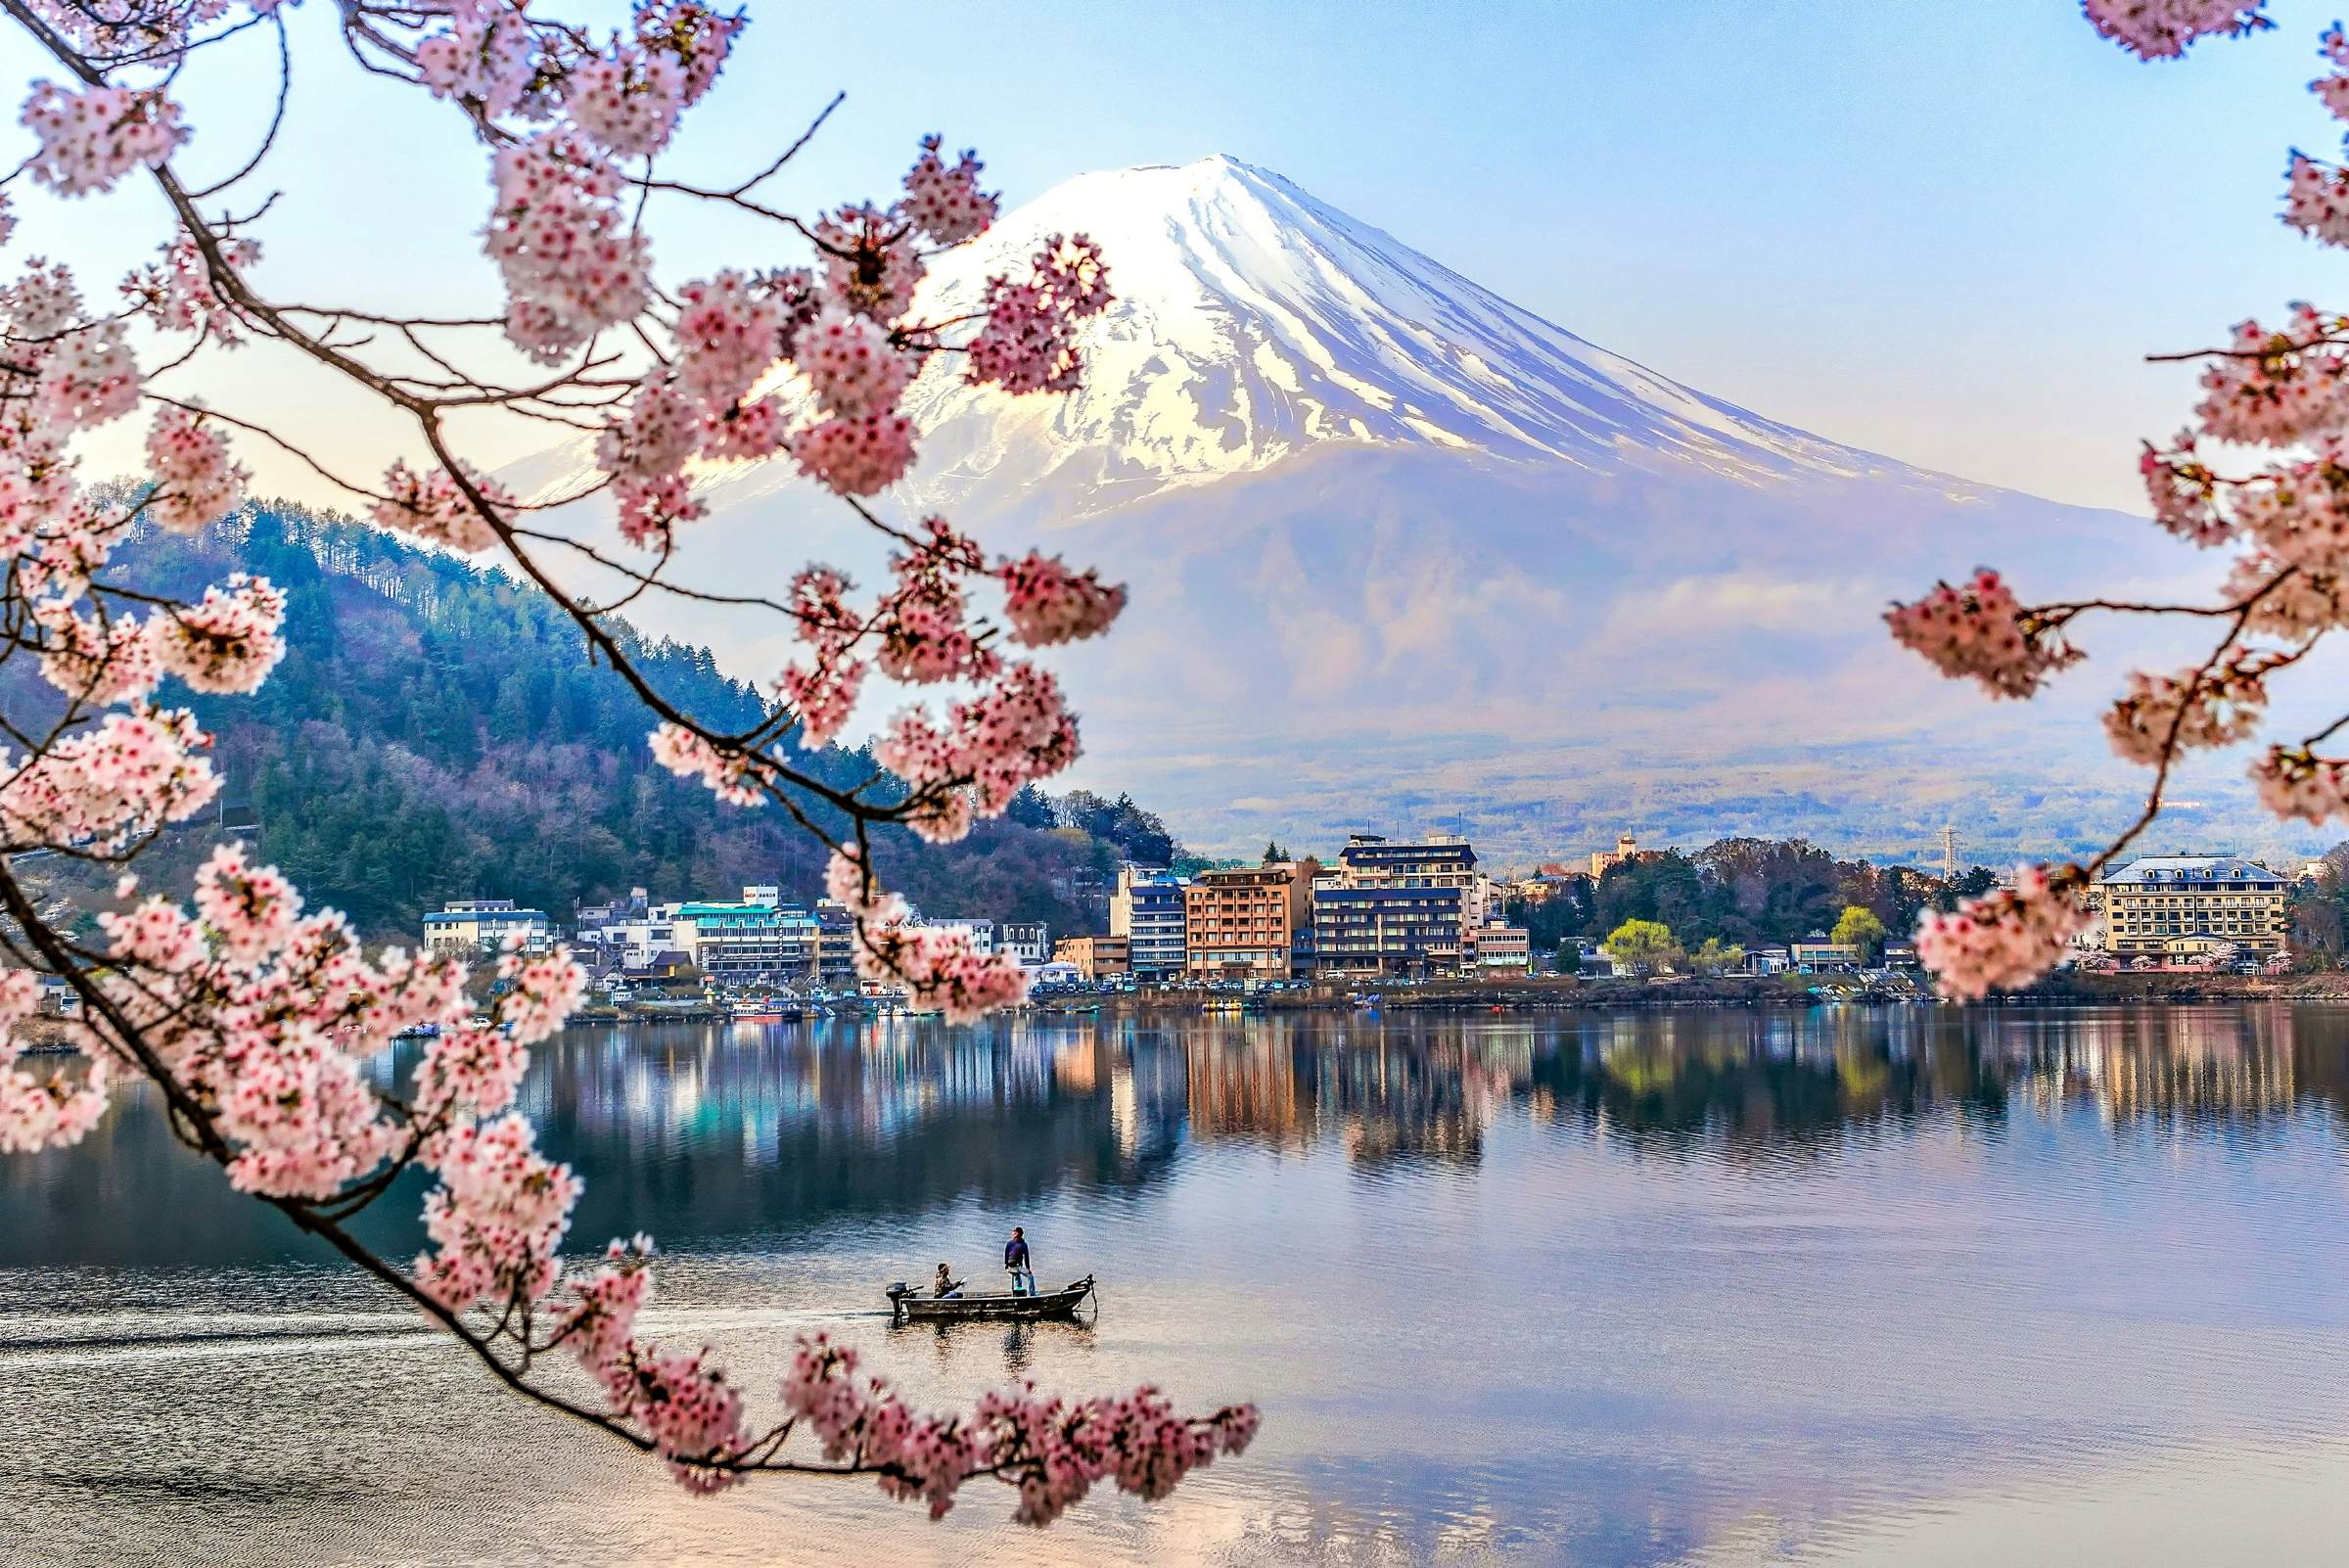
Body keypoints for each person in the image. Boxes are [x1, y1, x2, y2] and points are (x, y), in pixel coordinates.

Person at [1003, 1226, 1036, 1296]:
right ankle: (1032, 1293)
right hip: (1017, 1267)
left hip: (1010, 1267)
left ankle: (1018, 1293)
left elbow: (1006, 1255)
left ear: (1017, 1233)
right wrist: (1028, 1269)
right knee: (1030, 1276)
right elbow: (1026, 1258)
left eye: (1014, 1231)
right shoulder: (1024, 1245)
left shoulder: (1009, 1243)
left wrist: (1006, 1265)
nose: (1013, 1232)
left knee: (1017, 1276)